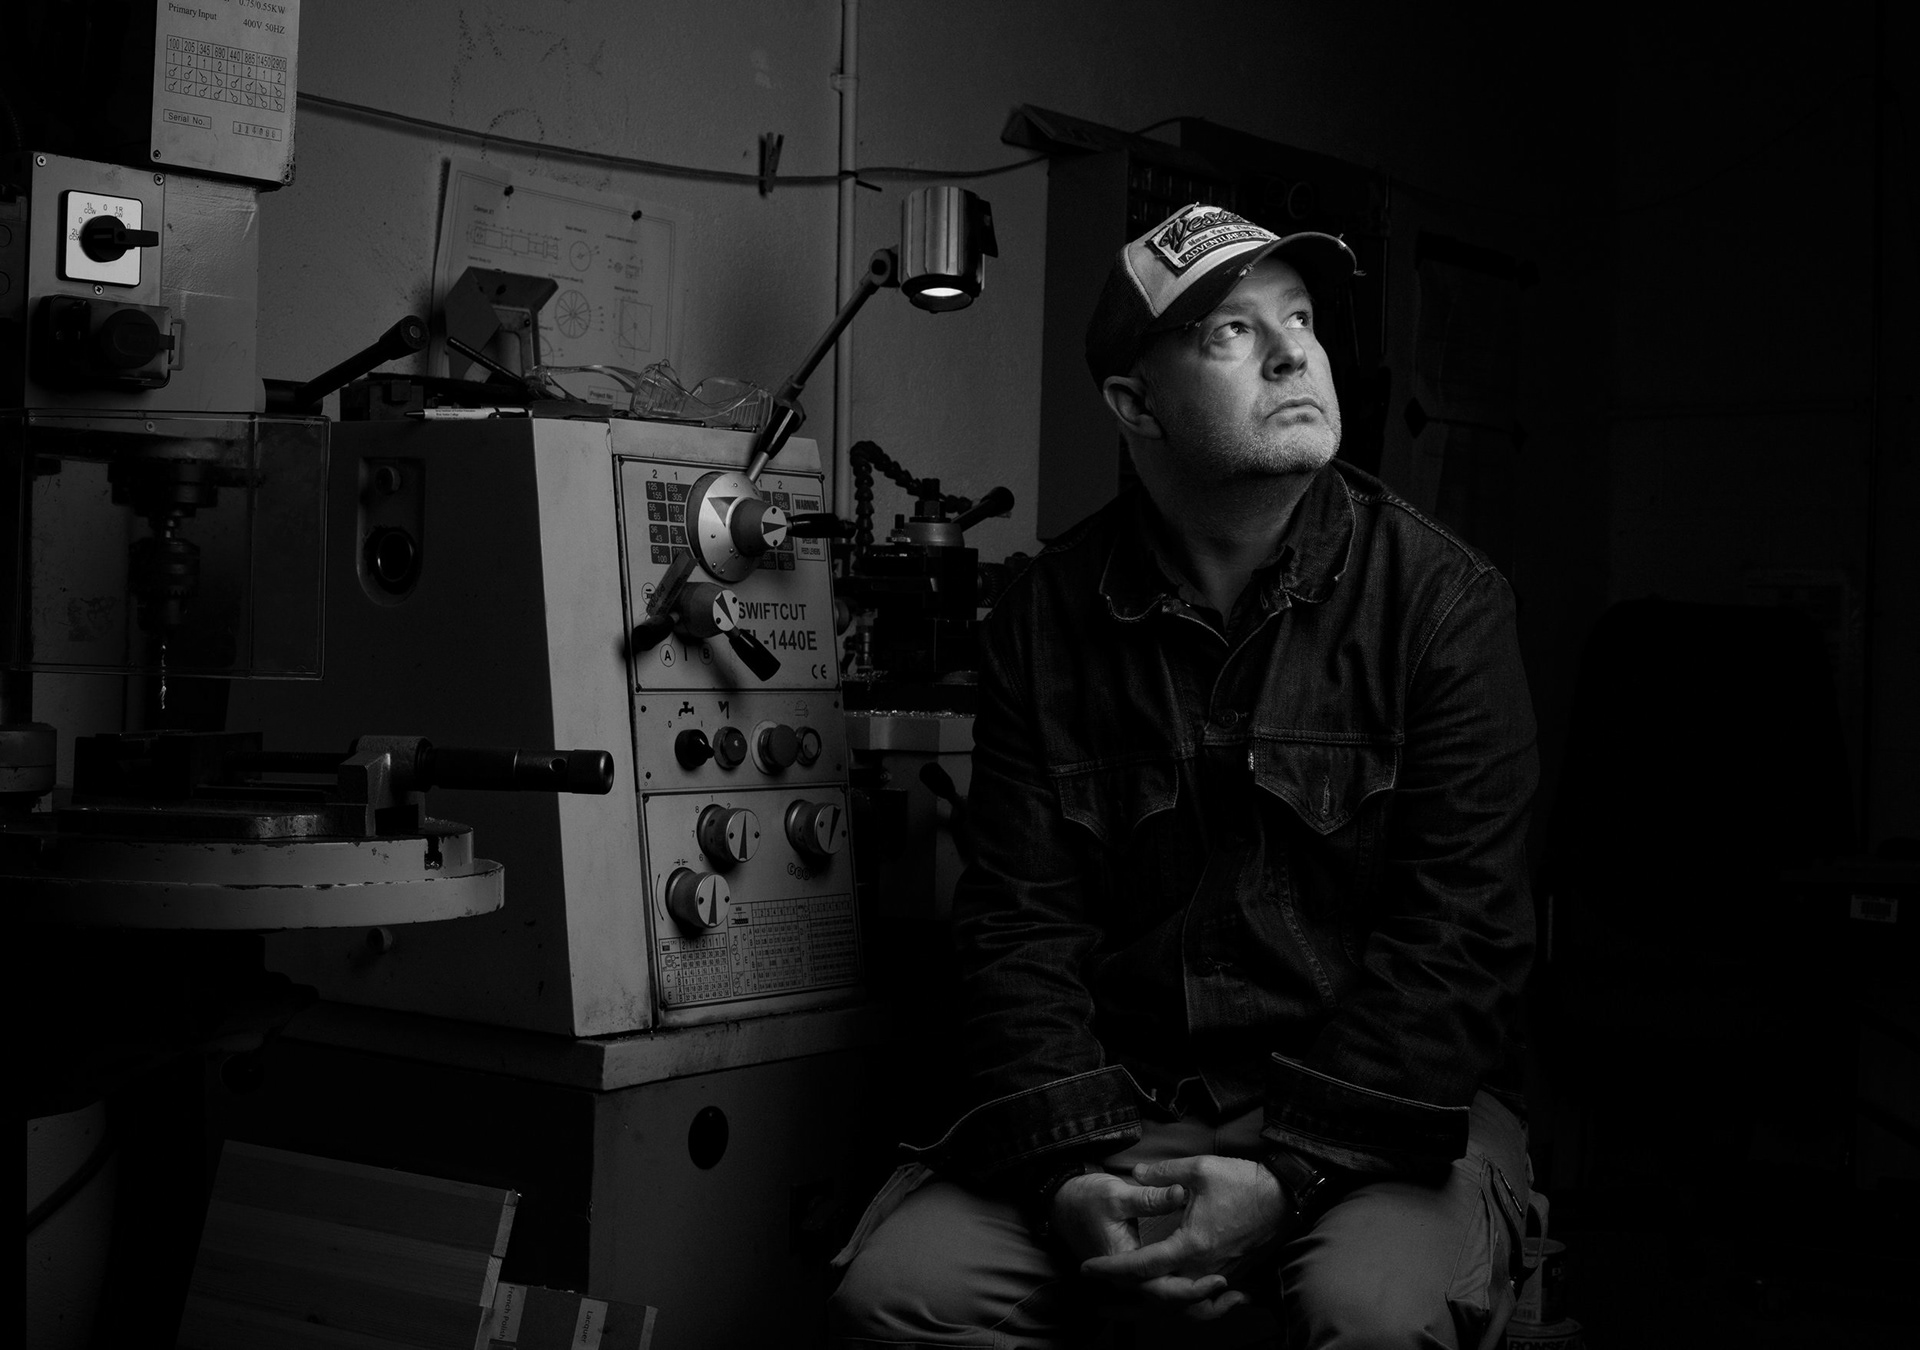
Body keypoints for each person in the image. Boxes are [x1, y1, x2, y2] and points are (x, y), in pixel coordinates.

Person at [831, 203, 1539, 1349]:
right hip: (1125, 1108)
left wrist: (1291, 1174)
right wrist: (1066, 1174)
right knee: (903, 1295)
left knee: (1368, 1317)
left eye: (1300, 320)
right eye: (1230, 333)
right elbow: (1018, 928)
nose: (1293, 355)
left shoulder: (1444, 606)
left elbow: (1463, 941)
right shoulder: (1042, 620)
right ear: (1134, 404)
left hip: (1378, 1118)